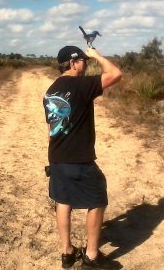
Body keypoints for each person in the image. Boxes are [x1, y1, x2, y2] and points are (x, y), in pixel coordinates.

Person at [43, 45, 122, 269]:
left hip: (57, 156)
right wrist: (97, 55)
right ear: (73, 63)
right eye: (84, 61)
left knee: (64, 200)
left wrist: (55, 156)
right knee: (97, 199)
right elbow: (116, 74)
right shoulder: (82, 85)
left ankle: (67, 252)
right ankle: (92, 255)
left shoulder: (50, 90)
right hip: (79, 157)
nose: (86, 65)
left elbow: (51, 129)